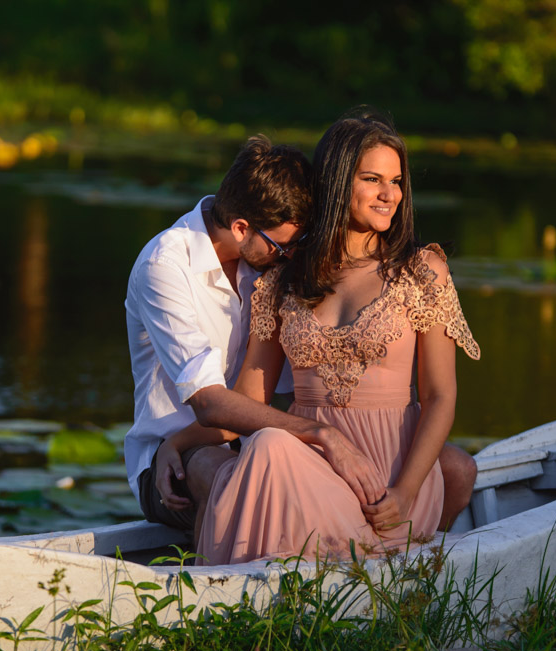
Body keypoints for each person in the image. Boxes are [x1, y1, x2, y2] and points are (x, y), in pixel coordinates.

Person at [159, 110, 481, 564]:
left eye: (397, 181)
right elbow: (248, 400)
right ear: (337, 181)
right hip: (309, 462)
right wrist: (177, 443)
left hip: (391, 474)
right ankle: (251, 602)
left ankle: (248, 592)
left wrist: (406, 492)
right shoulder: (284, 280)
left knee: (270, 450)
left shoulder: (421, 272)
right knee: (269, 446)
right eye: (373, 179)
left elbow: (440, 396)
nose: (389, 194)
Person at [125, 135, 384, 530]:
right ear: (241, 227)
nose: (291, 256)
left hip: (258, 442)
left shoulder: (267, 269)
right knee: (228, 475)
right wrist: (321, 434)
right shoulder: (164, 266)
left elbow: (282, 389)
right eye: (283, 247)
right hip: (174, 461)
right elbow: (210, 404)